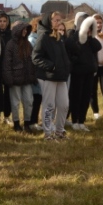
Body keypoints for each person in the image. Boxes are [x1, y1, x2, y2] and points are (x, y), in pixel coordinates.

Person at [31, 10, 71, 140]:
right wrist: (52, 66)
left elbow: (63, 56)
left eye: (60, 20)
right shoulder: (43, 37)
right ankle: (48, 134)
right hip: (48, 77)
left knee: (64, 105)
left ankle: (59, 132)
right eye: (56, 20)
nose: (59, 22)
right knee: (49, 106)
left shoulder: (59, 37)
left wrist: (66, 67)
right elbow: (36, 57)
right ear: (49, 21)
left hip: (61, 77)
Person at [65, 13, 101, 132]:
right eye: (88, 27)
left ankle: (81, 121)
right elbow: (70, 54)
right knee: (76, 97)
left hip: (89, 73)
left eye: (91, 28)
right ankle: (75, 121)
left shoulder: (90, 40)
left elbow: (98, 46)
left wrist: (91, 36)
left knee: (85, 98)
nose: (89, 30)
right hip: (77, 73)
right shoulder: (73, 38)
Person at [2, 21, 37, 132]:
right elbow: (7, 63)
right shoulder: (10, 44)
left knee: (29, 101)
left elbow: (32, 62)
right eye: (23, 29)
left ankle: (27, 123)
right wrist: (9, 79)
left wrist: (33, 75)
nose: (25, 31)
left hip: (27, 79)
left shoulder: (28, 44)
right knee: (15, 102)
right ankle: (16, 124)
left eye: (26, 29)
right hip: (15, 79)